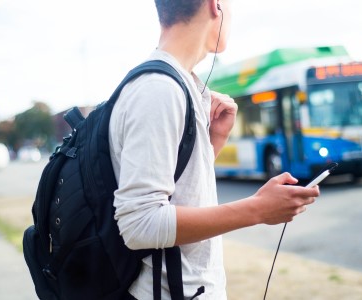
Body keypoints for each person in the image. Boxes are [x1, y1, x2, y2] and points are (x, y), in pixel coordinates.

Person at [108, 0, 320, 299]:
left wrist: (212, 142)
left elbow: (178, 190)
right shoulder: (160, 89)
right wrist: (258, 209)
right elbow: (139, 223)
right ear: (214, 5)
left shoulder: (178, 84)